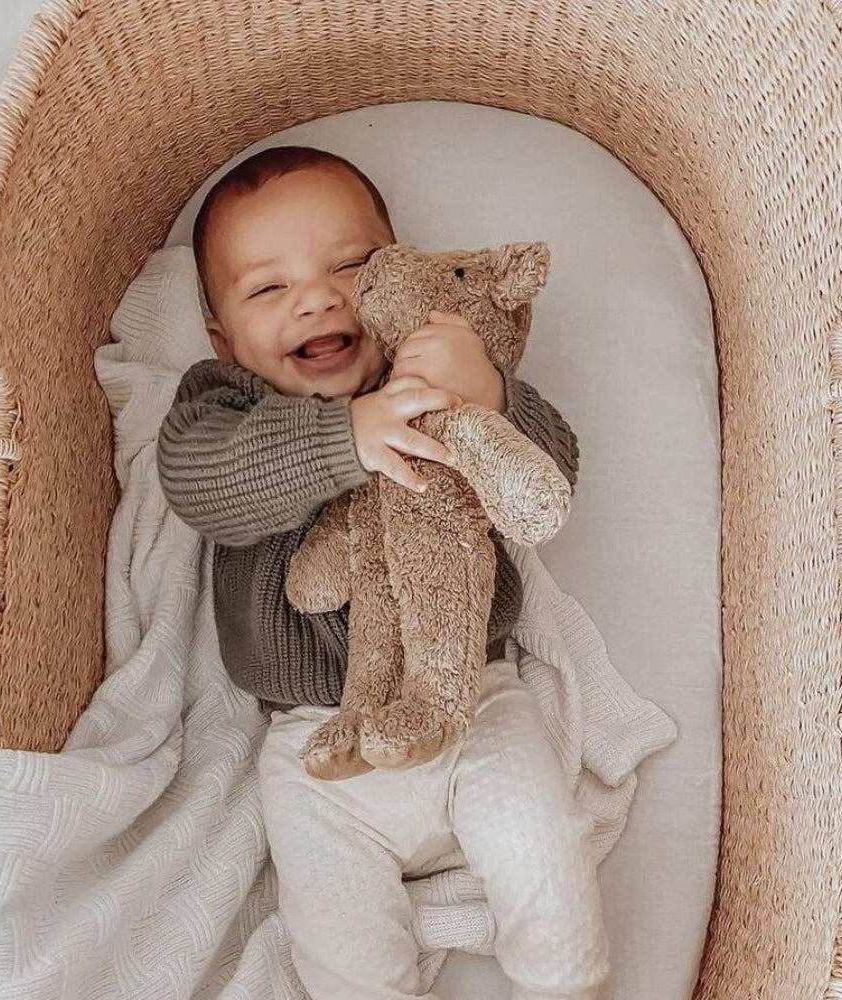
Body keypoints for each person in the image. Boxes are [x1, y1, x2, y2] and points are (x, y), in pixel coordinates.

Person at [156, 144, 609, 1000]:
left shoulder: (435, 371)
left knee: (543, 845)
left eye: (350, 267)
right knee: (339, 937)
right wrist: (348, 435)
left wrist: (488, 394)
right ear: (224, 337)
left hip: (474, 699)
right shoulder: (227, 404)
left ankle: (566, 986)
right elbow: (199, 481)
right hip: (320, 746)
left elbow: (548, 474)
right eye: (268, 288)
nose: (317, 298)